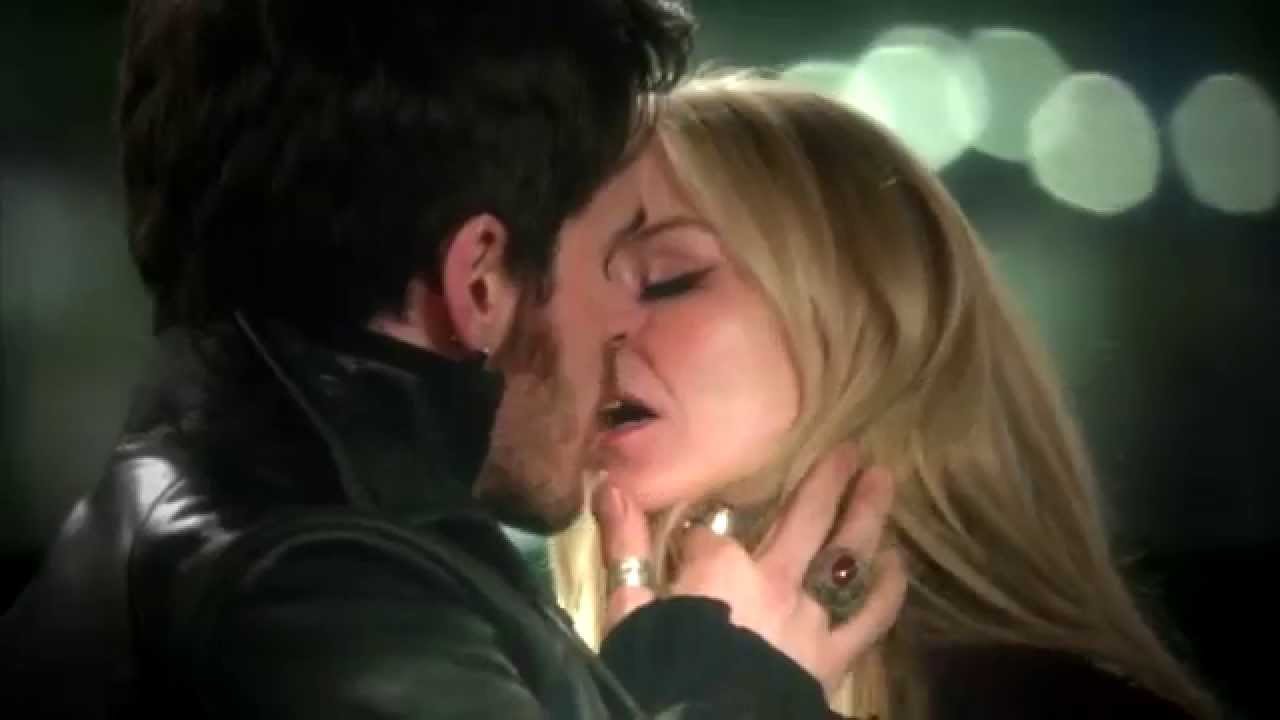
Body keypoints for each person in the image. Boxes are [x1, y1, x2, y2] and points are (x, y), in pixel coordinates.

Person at [0, 6, 907, 719]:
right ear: (479, 282)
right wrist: (724, 686)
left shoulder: (224, 515)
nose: (626, 322)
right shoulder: (329, 602)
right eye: (615, 262)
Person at [551, 73, 1222, 720]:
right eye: (570, 293)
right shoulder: (529, 677)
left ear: (871, 313)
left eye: (666, 278)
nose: (595, 326)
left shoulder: (1062, 704)